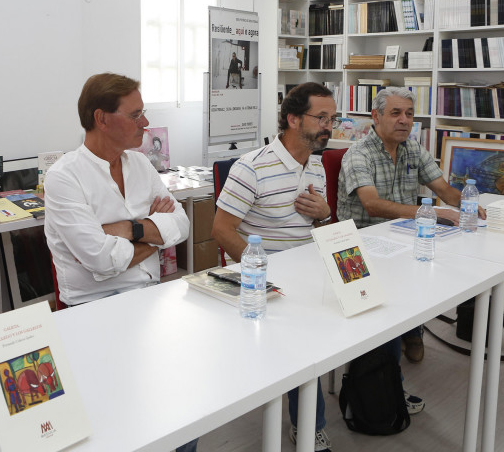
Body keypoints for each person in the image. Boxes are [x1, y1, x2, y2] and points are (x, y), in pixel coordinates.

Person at [43, 73, 195, 451]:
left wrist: (129, 229)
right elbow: (101, 261)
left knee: (184, 402)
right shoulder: (65, 177)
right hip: (91, 309)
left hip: (149, 296)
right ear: (102, 118)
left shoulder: (140, 165)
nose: (145, 124)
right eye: (136, 114)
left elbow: (183, 224)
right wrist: (155, 234)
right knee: (123, 416)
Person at [211, 82, 336, 452]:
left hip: (308, 273)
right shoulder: (252, 167)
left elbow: (320, 229)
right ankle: (309, 425)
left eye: (333, 118)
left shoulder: (316, 166)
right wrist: (261, 275)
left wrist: (325, 215)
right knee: (303, 343)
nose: (330, 126)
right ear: (294, 119)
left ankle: (310, 419)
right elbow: (220, 230)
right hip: (265, 281)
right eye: (322, 117)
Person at [335, 86, 486, 362]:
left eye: (409, 114)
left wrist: (470, 205)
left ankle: (411, 328)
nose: (404, 120)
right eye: (395, 113)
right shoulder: (358, 153)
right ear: (376, 117)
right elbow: (372, 204)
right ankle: (393, 336)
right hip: (363, 245)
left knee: (449, 262)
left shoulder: (412, 148)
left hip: (402, 237)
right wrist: (428, 213)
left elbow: (444, 190)